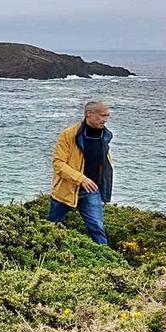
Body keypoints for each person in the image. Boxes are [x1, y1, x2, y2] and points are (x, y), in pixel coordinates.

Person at [49, 100, 113, 244]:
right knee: (51, 226)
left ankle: (108, 262)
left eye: (107, 116)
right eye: (102, 116)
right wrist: (81, 179)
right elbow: (58, 164)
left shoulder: (105, 136)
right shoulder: (69, 135)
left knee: (97, 228)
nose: (105, 120)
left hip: (91, 190)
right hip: (66, 190)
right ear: (89, 114)